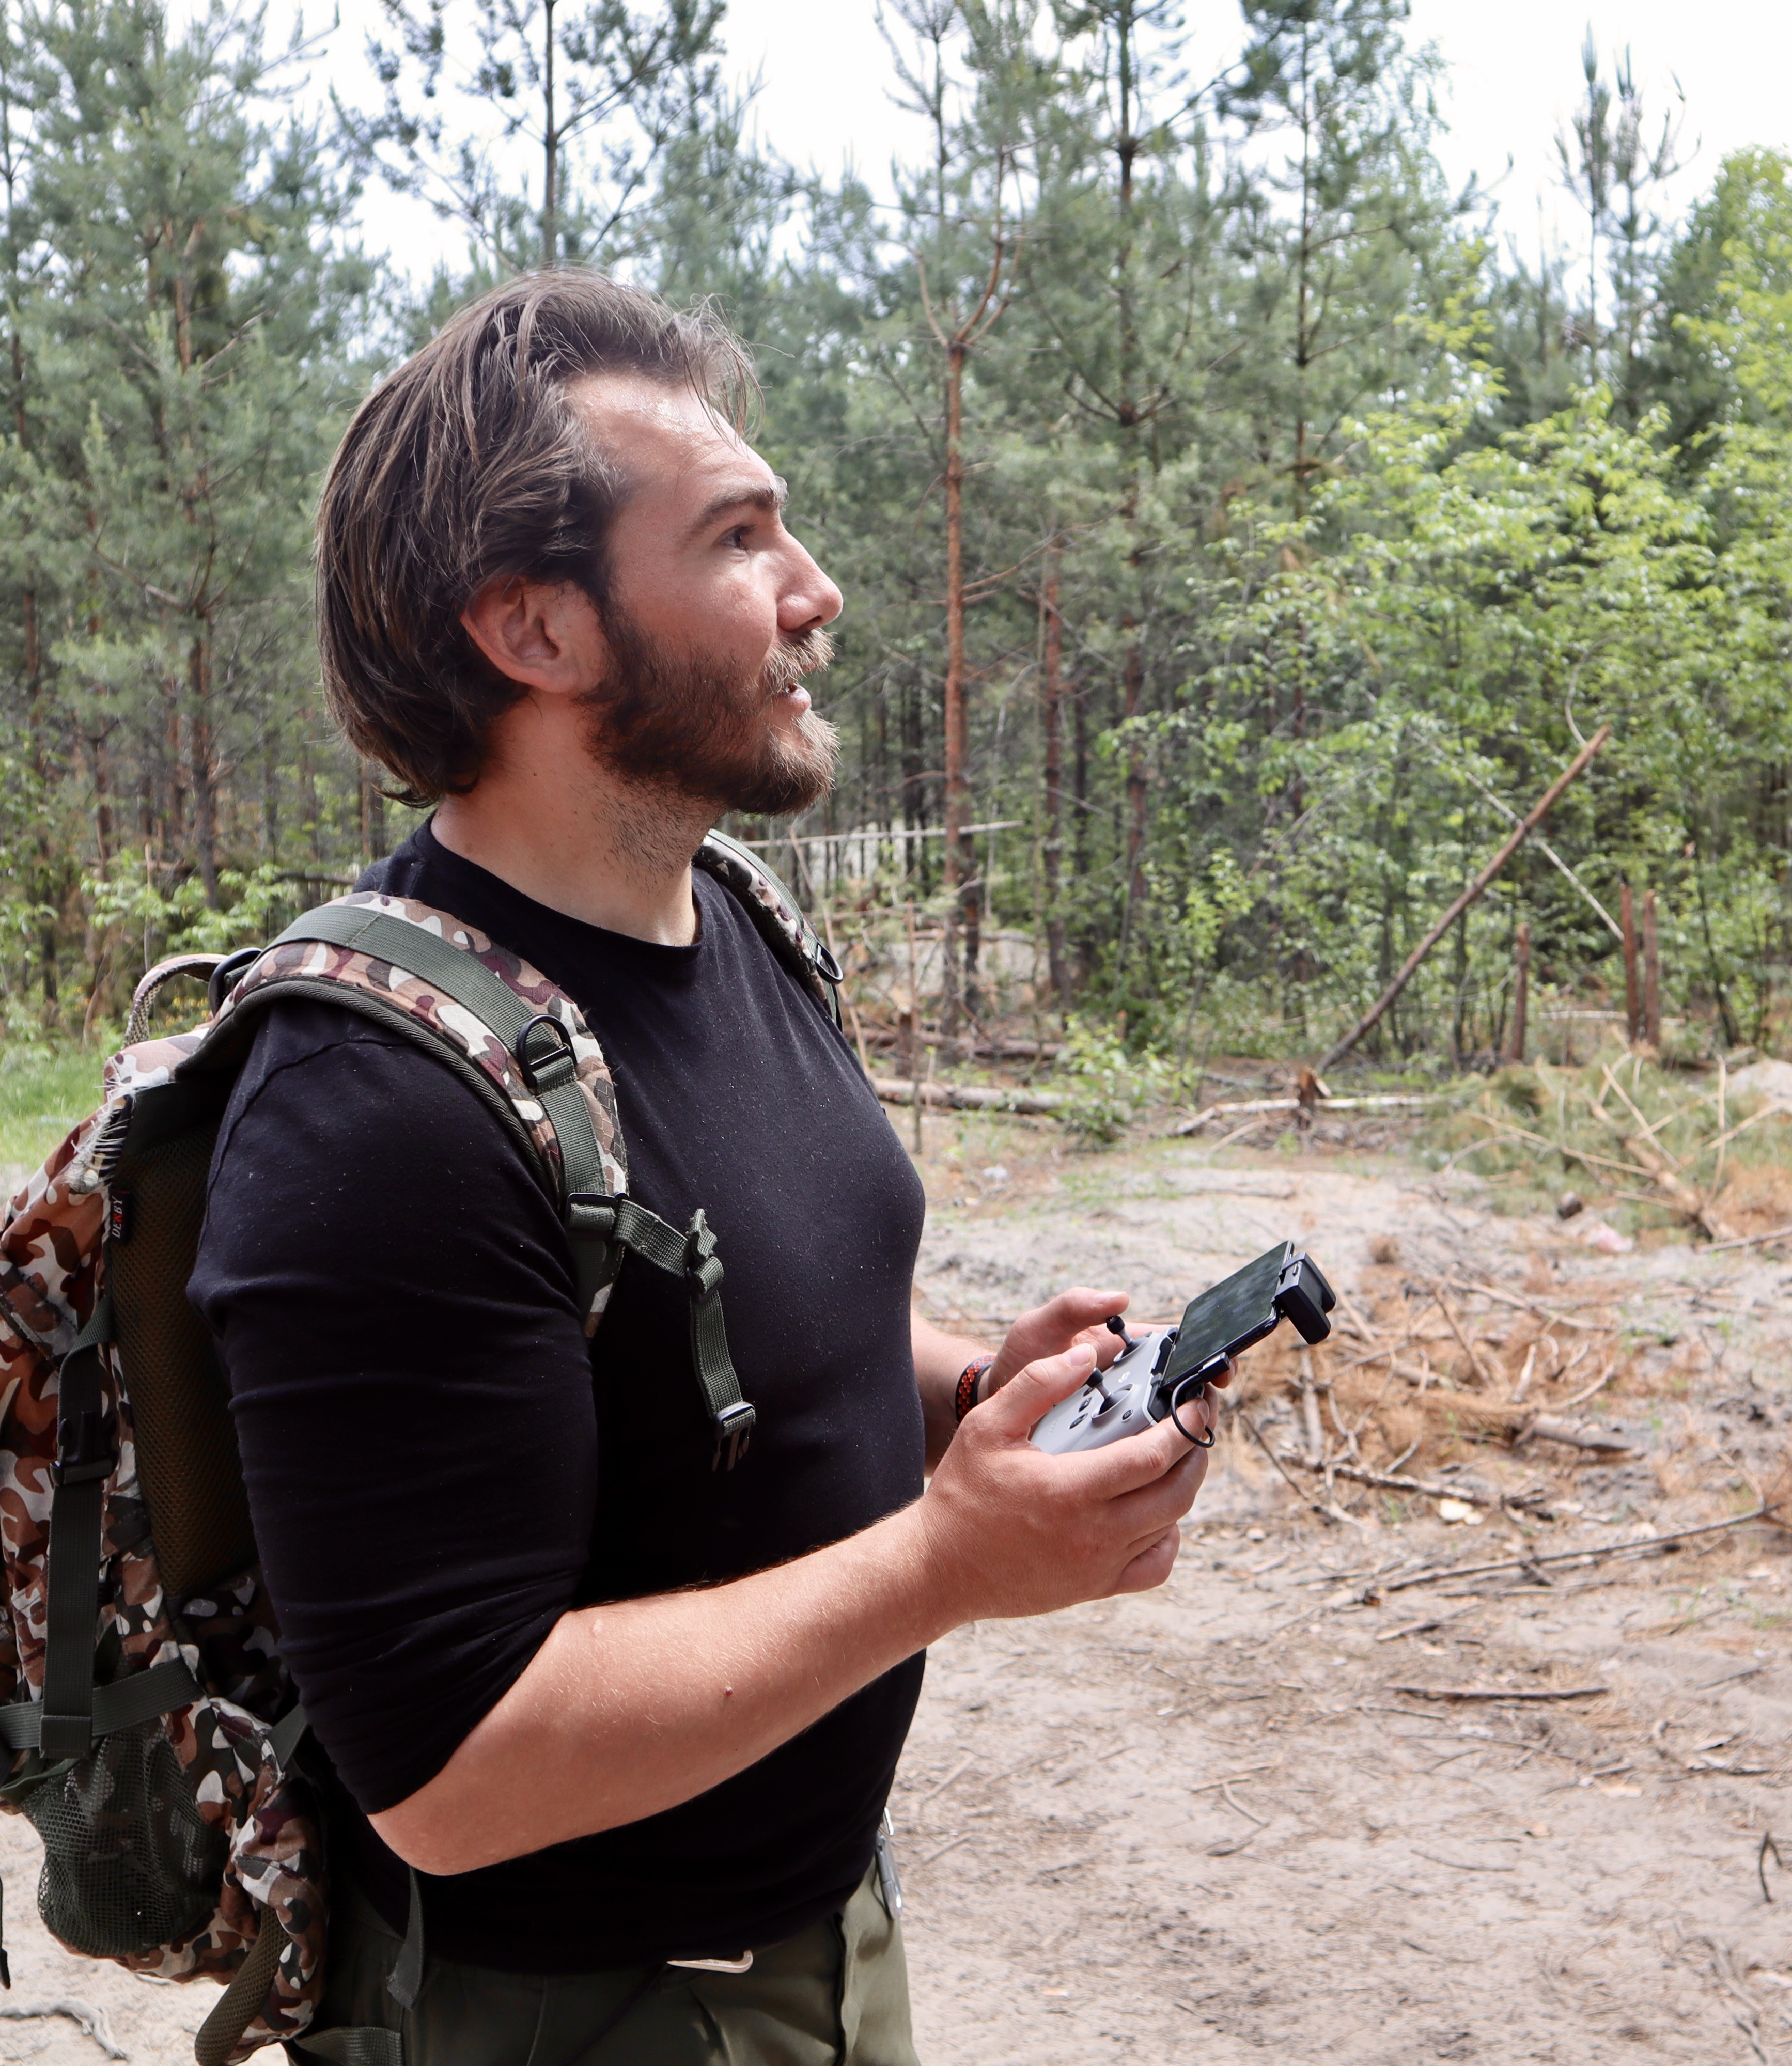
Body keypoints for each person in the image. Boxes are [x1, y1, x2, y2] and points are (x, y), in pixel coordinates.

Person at [188, 271, 1213, 2065]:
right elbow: (447, 1769)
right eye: (741, 540)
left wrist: (980, 1395)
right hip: (572, 2021)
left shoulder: (723, 916)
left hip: (812, 1943)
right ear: (540, 633)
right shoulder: (374, 1107)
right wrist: (947, 1565)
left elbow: (734, 1322)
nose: (817, 593)